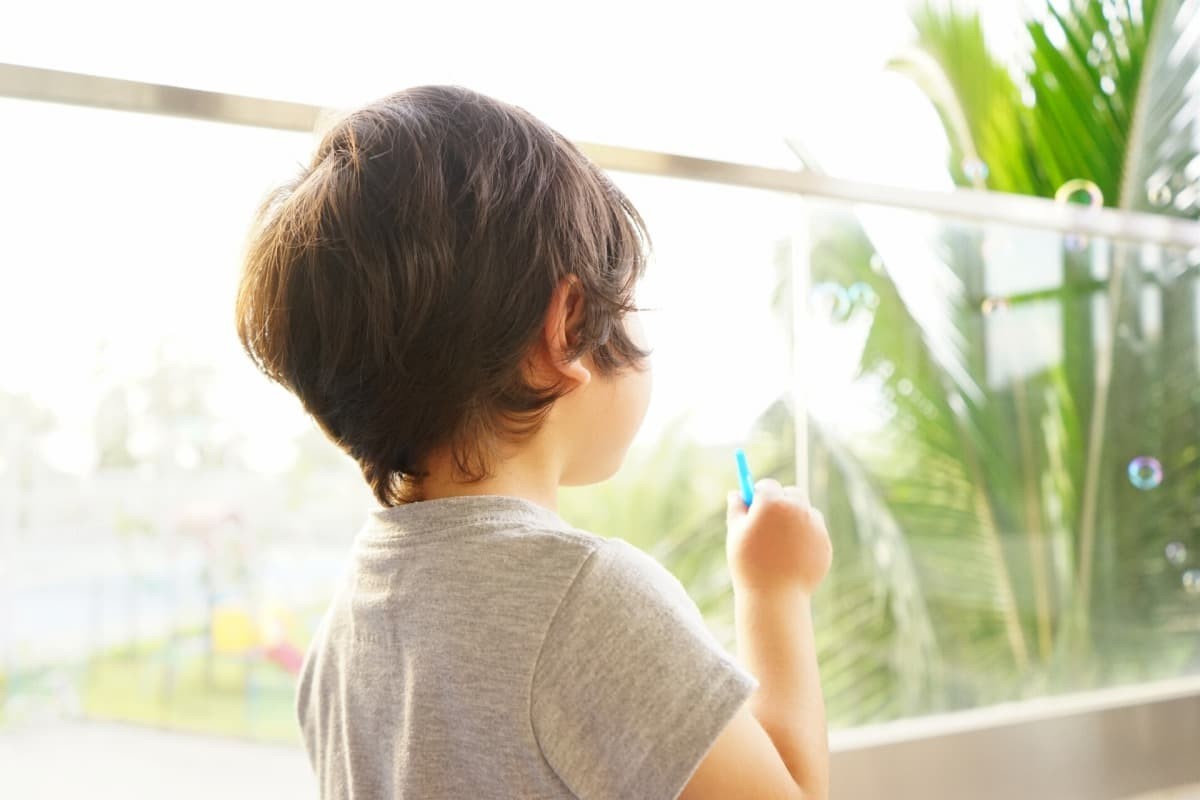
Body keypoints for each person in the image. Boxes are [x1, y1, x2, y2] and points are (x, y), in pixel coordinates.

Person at [234, 84, 832, 800]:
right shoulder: (587, 604)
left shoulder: (345, 629)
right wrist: (775, 589)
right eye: (633, 304)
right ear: (569, 324)